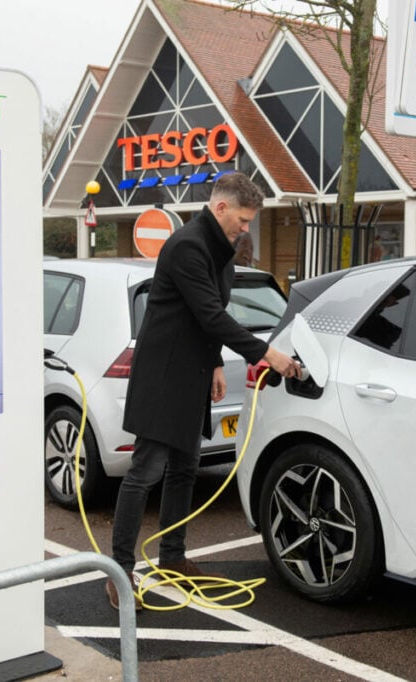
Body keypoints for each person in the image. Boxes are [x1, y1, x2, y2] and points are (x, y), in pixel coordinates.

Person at [106, 172, 301, 610]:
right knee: (144, 473)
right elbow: (212, 315)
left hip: (192, 372)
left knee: (184, 468)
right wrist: (270, 356)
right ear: (221, 208)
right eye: (244, 220)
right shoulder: (188, 247)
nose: (246, 228)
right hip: (163, 376)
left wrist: (214, 361)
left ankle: (172, 559)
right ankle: (118, 575)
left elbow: (207, 314)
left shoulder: (220, 252)